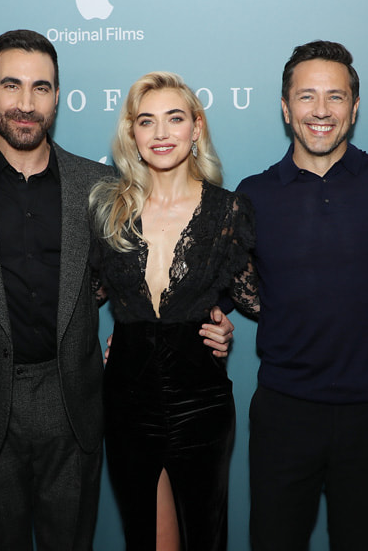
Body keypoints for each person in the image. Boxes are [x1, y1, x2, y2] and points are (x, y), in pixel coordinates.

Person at [0, 30, 234, 551]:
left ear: (57, 98)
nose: (26, 103)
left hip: (74, 407)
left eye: (41, 88)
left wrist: (196, 321)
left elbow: (133, 278)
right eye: (11, 86)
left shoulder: (97, 187)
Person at [235, 41, 368, 550]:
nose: (321, 110)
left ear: (354, 109)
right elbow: (219, 283)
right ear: (286, 107)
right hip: (285, 410)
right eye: (307, 96)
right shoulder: (253, 194)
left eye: (335, 97)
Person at [89, 71, 258, 551]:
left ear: (196, 128)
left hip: (200, 400)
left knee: (204, 535)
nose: (161, 133)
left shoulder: (228, 211)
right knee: (149, 539)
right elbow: (80, 302)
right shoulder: (108, 210)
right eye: (147, 121)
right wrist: (91, 347)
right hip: (126, 399)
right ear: (132, 134)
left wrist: (219, 318)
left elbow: (256, 297)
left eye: (174, 118)